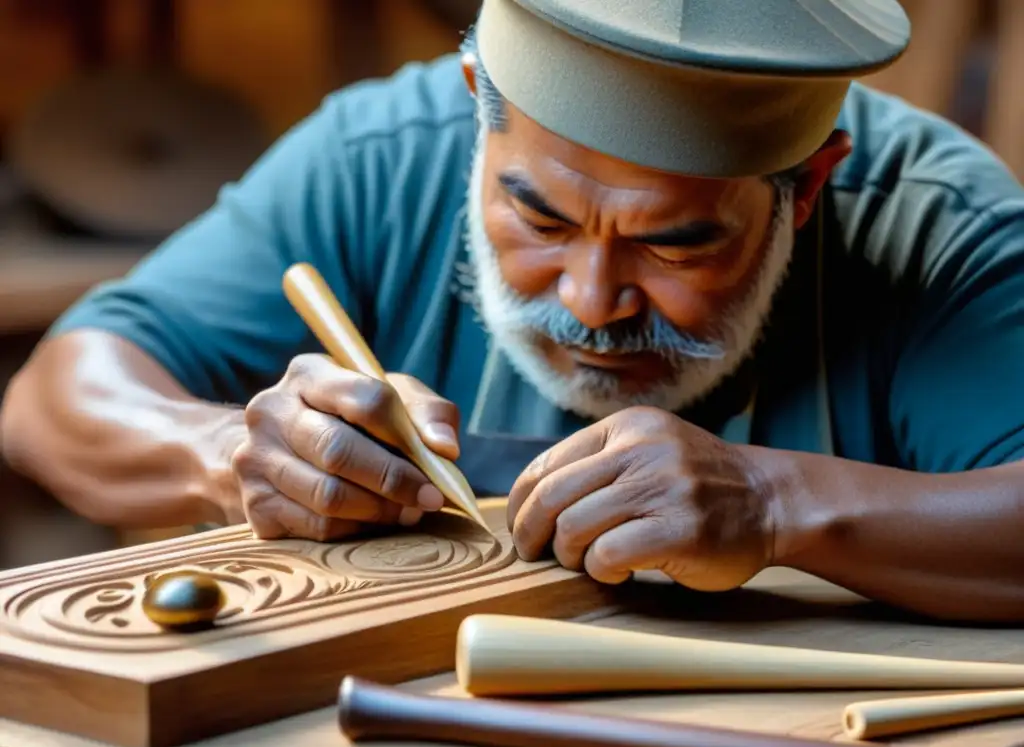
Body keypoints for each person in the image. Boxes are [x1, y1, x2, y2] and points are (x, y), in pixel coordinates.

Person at [3, 0, 1024, 622]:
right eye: (535, 217)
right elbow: (59, 393)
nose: (591, 302)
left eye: (677, 242)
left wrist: (774, 505)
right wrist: (227, 454)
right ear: (472, 103)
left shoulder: (936, 229)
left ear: (805, 189)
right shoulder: (376, 162)